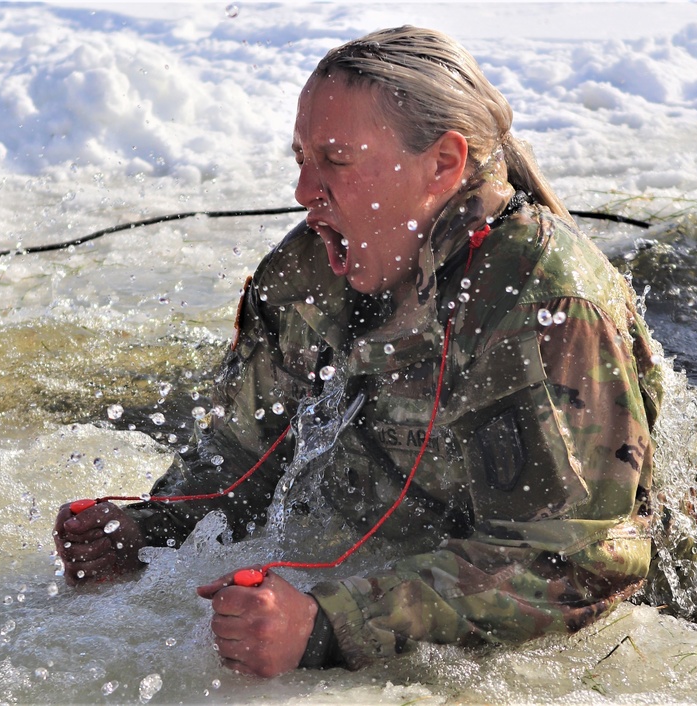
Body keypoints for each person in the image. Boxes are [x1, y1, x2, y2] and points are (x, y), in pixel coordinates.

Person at [54, 26, 664, 677]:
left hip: (639, 635)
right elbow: (243, 454)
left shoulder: (543, 297)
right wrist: (147, 528)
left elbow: (576, 561)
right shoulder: (306, 271)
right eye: (300, 158)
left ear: (443, 164)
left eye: (336, 159)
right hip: (394, 570)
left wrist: (330, 627)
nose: (303, 190)